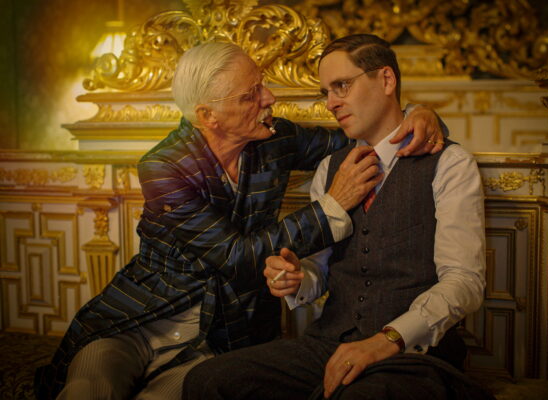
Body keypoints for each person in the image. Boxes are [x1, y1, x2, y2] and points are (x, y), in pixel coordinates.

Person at [34, 41, 445, 400]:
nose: (269, 98)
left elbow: (371, 129)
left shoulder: (276, 139)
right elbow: (235, 256)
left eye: (262, 84)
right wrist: (332, 206)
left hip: (220, 337)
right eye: (251, 96)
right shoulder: (163, 167)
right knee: (88, 389)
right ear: (208, 115)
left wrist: (418, 115)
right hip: (139, 322)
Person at [182, 34, 491, 400]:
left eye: (341, 86)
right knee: (207, 381)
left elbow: (465, 281)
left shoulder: (450, 163)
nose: (330, 103)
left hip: (412, 353)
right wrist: (298, 278)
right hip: (329, 342)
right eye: (326, 92)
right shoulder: (330, 167)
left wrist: (388, 339)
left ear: (386, 80)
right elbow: (320, 270)